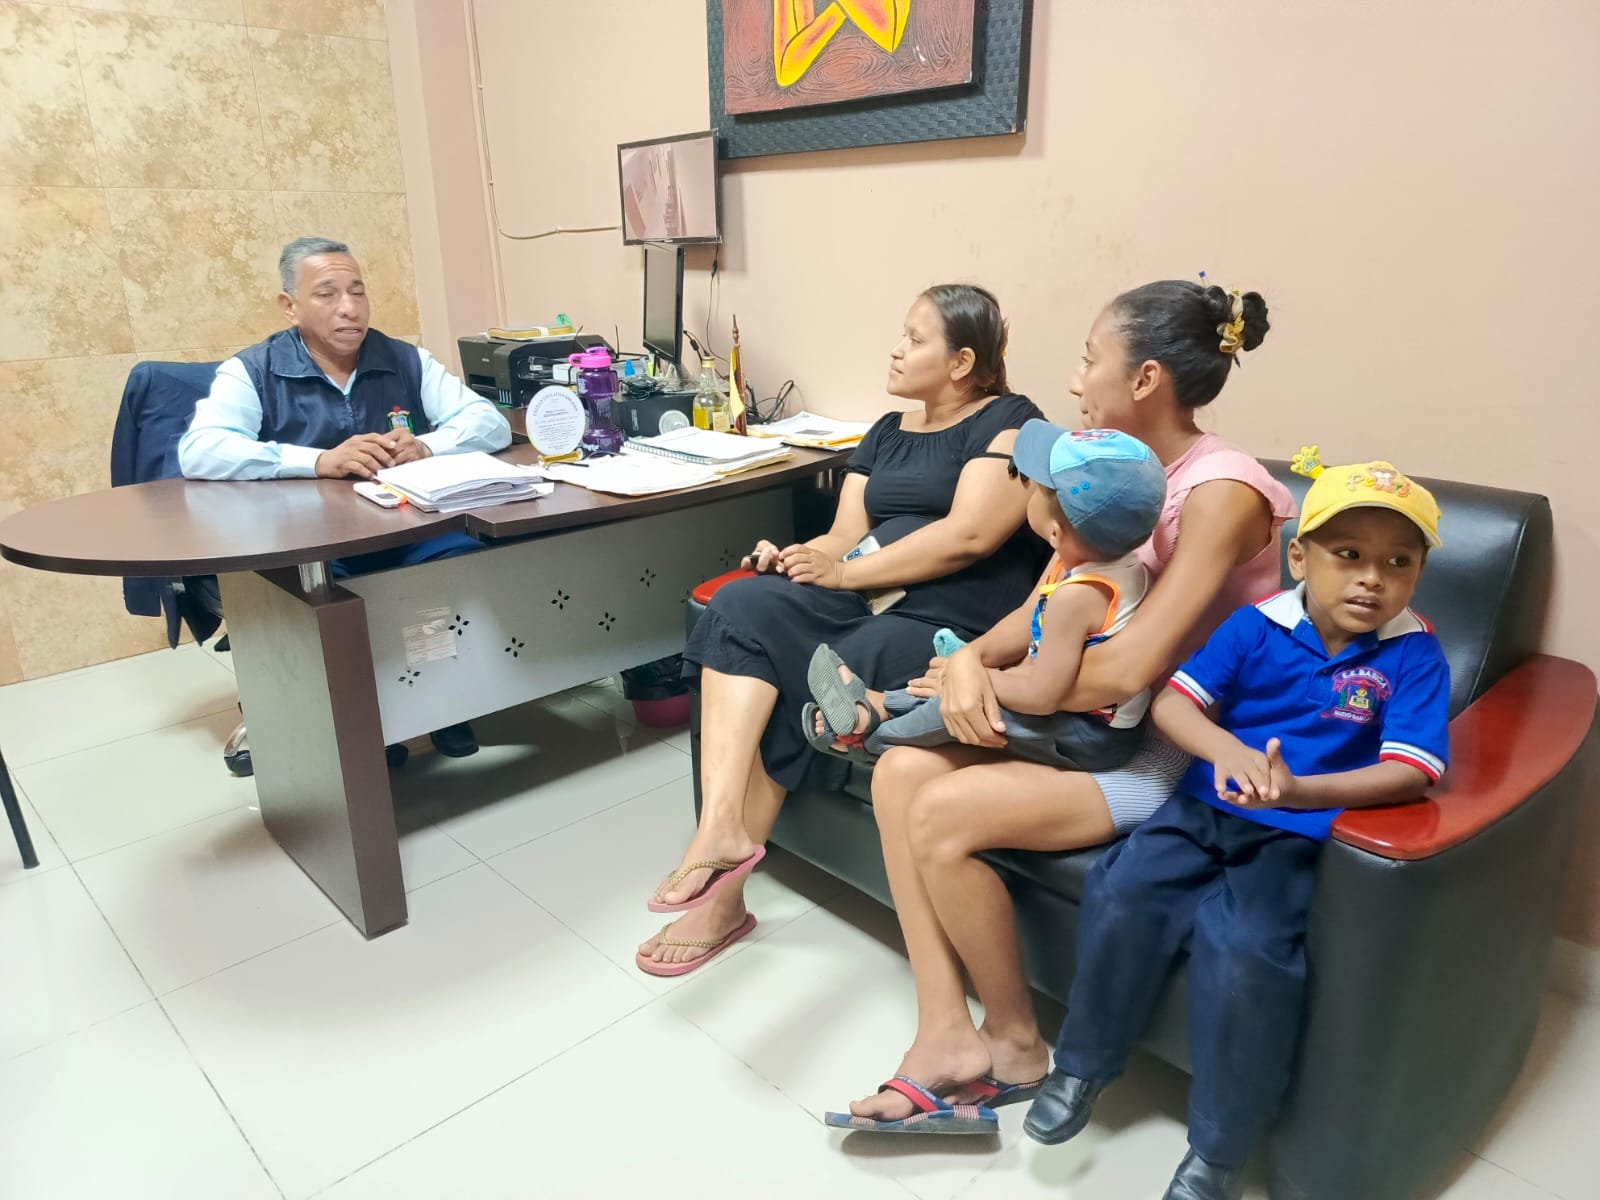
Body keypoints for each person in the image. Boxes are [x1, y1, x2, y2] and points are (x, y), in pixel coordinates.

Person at [835, 279, 1297, 1129]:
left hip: (1173, 743)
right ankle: (946, 1031)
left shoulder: (1220, 491)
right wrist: (967, 661)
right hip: (1088, 723)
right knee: (897, 773)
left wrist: (986, 683)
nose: (1077, 379)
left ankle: (1015, 1041)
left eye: (1090, 360)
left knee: (937, 812)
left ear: (1145, 378)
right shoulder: (1104, 467)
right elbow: (1041, 605)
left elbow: (1129, 669)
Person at [1024, 450, 1448, 1200]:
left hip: (1298, 833)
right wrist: (1225, 750)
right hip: (1203, 805)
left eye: (1398, 562)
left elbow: (1411, 770)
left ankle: (1218, 1150)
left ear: (1417, 573)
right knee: (1123, 891)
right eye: (1348, 555)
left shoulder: (1414, 654)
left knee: (1246, 949)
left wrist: (1302, 793)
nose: (1372, 579)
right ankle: (1083, 1066)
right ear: (1299, 558)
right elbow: (1175, 704)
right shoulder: (1256, 626)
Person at [637, 284, 1048, 976]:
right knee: (742, 605)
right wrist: (796, 560)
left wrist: (844, 573)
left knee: (824, 662)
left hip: (950, 621)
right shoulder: (887, 431)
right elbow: (844, 535)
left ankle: (722, 904)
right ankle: (719, 828)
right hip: (870, 595)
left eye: (915, 339)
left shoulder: (1010, 420)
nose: (896, 349)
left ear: (961, 362)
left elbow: (969, 536)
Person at [179, 235, 512, 761]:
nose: (349, 308)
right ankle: (362, 726)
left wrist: (428, 444)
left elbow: (489, 423)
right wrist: (316, 461)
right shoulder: (254, 370)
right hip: (310, 543)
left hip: (402, 533)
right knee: (327, 601)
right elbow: (200, 451)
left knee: (459, 564)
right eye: (327, 293)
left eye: (357, 291)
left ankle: (443, 702)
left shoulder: (404, 359)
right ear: (290, 305)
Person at [803, 422, 1166, 773]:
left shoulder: (1076, 598)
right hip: (1065, 710)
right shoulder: (1104, 560)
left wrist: (977, 677)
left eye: (1037, 488)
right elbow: (1025, 619)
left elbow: (1041, 695)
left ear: (1055, 532)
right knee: (959, 679)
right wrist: (970, 659)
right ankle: (879, 703)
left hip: (1089, 736)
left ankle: (867, 740)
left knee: (963, 700)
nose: (1028, 486)